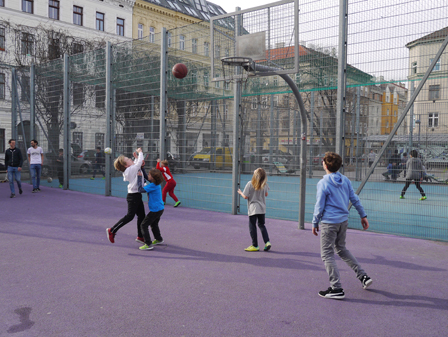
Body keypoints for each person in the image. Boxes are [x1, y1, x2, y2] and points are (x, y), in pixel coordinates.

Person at [312, 152, 372, 300]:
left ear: (325, 165)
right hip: (343, 221)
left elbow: (319, 206)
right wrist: (363, 215)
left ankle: (336, 288)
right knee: (341, 249)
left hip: (329, 223)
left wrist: (315, 222)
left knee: (327, 254)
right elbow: (354, 199)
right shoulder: (345, 180)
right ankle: (363, 276)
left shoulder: (323, 183)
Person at [106, 148, 146, 244]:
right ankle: (112, 230)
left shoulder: (130, 169)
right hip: (133, 197)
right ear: (126, 165)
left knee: (141, 216)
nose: (129, 158)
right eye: (128, 159)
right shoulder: (130, 169)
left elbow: (137, 164)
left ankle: (140, 236)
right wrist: (140, 153)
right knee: (130, 216)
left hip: (136, 195)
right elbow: (138, 164)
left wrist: (136, 158)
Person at [237, 168, 271, 252]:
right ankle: (267, 242)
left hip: (253, 208)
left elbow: (245, 196)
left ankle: (255, 245)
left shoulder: (250, 183)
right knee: (261, 225)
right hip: (262, 208)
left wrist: (240, 192)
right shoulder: (265, 184)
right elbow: (266, 194)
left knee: (252, 225)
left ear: (255, 175)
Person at [136, 168, 165, 250]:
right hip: (160, 208)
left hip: (155, 210)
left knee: (143, 225)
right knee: (154, 224)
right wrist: (142, 168)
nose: (147, 176)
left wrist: (139, 177)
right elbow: (146, 177)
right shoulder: (155, 183)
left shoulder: (153, 185)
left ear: (152, 177)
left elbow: (140, 190)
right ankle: (159, 239)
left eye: (149, 175)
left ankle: (148, 244)